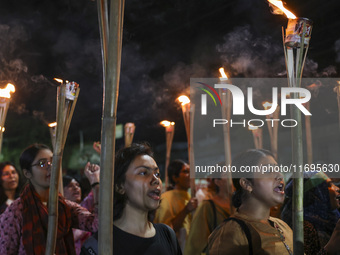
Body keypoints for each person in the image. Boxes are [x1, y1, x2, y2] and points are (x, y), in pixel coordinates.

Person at [81, 143, 181, 255]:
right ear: (120, 186)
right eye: (143, 173)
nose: (155, 180)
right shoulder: (98, 246)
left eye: (157, 174)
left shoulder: (167, 235)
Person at [0, 143, 99, 255]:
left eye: (53, 161)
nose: (50, 166)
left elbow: (97, 224)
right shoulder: (17, 211)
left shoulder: (63, 206)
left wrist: (95, 184)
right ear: (27, 173)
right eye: (42, 164)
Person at [207, 149, 293, 254]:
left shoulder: (282, 226)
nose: (279, 176)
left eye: (277, 169)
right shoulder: (232, 234)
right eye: (267, 171)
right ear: (246, 184)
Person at [281, 171, 340, 255]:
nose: (337, 188)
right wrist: (330, 248)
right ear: (317, 193)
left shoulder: (331, 219)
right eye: (329, 185)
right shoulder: (305, 229)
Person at [154, 159, 198, 252]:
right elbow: (165, 232)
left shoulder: (189, 197)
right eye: (186, 172)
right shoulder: (166, 198)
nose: (191, 175)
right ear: (175, 177)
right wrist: (186, 210)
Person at [184, 172, 231, 255]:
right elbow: (196, 243)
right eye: (227, 174)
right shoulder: (207, 206)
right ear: (217, 182)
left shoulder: (241, 205)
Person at [63, 175, 97, 255]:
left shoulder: (85, 207)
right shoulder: (57, 213)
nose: (76, 188)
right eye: (70, 186)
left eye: (78, 185)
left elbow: (94, 195)